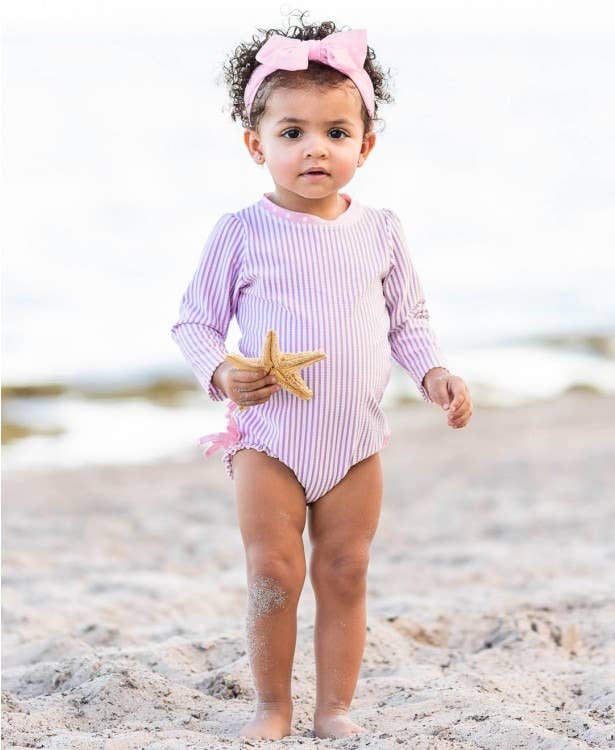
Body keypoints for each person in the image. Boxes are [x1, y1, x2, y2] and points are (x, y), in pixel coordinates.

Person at [170, 11, 472, 741]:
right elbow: (193, 323)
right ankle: (272, 708)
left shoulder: (380, 230)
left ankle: (333, 708)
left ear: (364, 146)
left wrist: (431, 371)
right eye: (291, 132)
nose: (315, 149)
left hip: (354, 438)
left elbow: (407, 321)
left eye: (336, 133)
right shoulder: (240, 232)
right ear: (256, 144)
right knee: (273, 574)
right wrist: (223, 374)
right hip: (268, 435)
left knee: (345, 569)